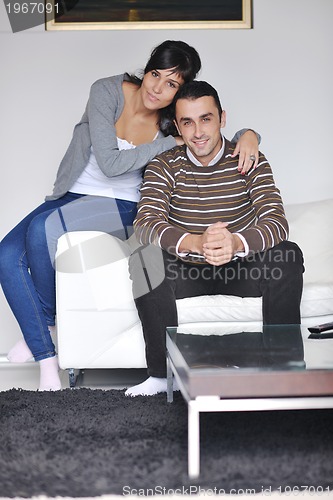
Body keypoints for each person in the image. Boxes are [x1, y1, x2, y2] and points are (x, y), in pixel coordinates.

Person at [0, 41, 259, 391]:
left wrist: (250, 136)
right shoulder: (106, 91)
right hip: (72, 195)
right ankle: (45, 330)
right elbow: (108, 163)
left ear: (179, 91)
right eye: (155, 75)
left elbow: (212, 132)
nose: (158, 88)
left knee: (41, 231)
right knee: (6, 254)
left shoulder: (172, 122)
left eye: (172, 84)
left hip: (122, 205)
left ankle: (47, 360)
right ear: (146, 69)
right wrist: (168, 144)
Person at [125, 80, 304, 397]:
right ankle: (159, 374)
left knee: (288, 254)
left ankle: (284, 367)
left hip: (241, 267)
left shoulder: (250, 159)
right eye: (187, 122)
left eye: (205, 119)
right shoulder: (164, 165)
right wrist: (194, 242)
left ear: (222, 118)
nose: (198, 132)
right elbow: (145, 222)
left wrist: (235, 243)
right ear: (177, 127)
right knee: (144, 258)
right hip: (187, 269)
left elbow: (276, 221)